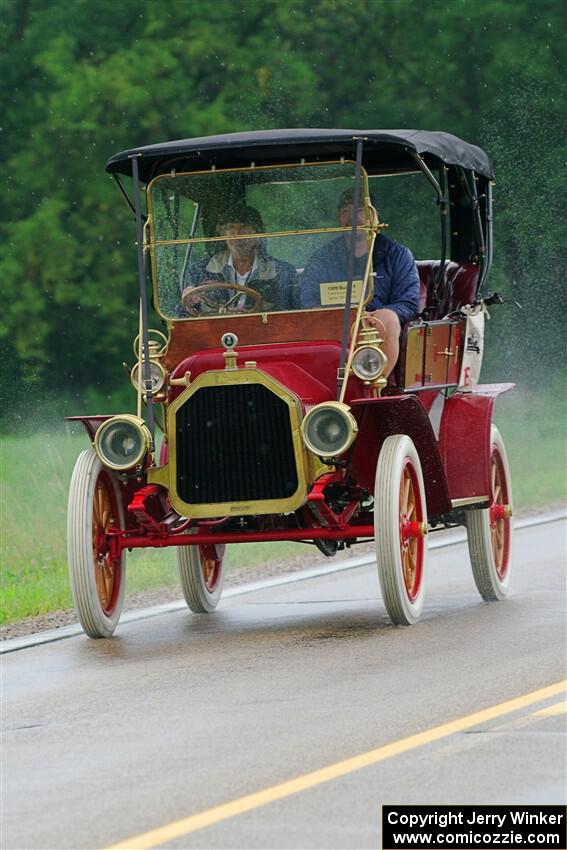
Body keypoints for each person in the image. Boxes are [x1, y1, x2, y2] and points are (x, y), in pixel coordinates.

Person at [300, 189, 420, 374]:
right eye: (345, 212)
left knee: (388, 318)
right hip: (333, 326)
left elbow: (408, 303)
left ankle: (374, 385)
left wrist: (375, 316)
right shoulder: (322, 258)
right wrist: (333, 315)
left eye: (359, 211)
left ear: (375, 217)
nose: (352, 218)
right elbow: (308, 299)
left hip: (375, 328)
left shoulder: (398, 255)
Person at [181, 206, 298, 314]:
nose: (237, 235)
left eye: (244, 227)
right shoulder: (200, 270)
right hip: (215, 332)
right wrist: (188, 301)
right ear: (223, 234)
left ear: (257, 233)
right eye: (231, 228)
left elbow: (287, 315)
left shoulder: (282, 271)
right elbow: (182, 316)